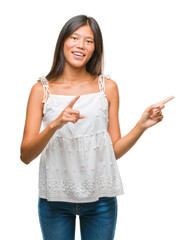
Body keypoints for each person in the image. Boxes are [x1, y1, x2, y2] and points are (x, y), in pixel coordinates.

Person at [20, 15, 174, 240]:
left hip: (101, 200)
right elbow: (25, 155)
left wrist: (142, 126)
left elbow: (113, 152)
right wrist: (55, 124)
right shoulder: (40, 90)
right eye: (74, 37)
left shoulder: (107, 87)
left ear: (95, 48)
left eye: (89, 41)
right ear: (63, 41)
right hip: (54, 201)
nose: (80, 45)